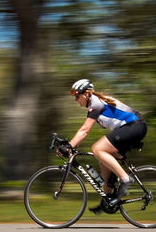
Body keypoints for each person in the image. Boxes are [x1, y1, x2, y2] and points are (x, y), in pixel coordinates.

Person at [62, 78, 147, 208]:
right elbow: (83, 131)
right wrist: (70, 142)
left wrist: (69, 146)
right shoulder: (95, 104)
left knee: (97, 149)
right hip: (131, 128)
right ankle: (107, 202)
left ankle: (126, 179)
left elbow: (84, 131)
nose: (76, 100)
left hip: (134, 126)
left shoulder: (96, 104)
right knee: (104, 163)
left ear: (86, 94)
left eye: (77, 96)